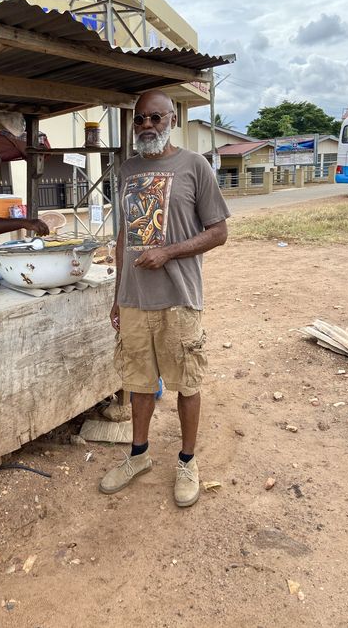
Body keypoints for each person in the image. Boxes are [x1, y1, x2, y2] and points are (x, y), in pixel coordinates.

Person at [99, 90, 230, 508]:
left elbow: (219, 231)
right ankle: (138, 456)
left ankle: (188, 462)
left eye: (155, 118)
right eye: (139, 120)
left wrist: (169, 251)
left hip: (179, 298)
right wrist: (119, 294)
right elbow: (125, 236)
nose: (147, 126)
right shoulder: (129, 168)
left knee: (186, 384)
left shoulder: (195, 166)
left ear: (171, 120)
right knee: (138, 384)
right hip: (136, 301)